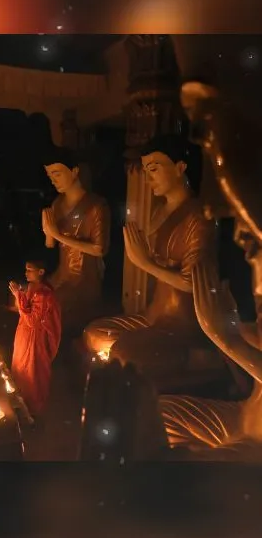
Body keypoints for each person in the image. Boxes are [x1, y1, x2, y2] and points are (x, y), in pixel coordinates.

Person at [84, 134, 216, 372]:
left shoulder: (198, 217)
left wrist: (145, 262)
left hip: (182, 324)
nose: (148, 177)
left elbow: (191, 283)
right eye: (145, 170)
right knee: (94, 334)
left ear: (180, 167)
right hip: (153, 316)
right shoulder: (159, 212)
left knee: (123, 352)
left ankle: (198, 357)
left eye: (154, 169)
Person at [42, 147, 110, 336]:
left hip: (83, 278)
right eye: (50, 176)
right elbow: (50, 244)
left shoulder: (96, 205)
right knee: (27, 296)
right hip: (61, 274)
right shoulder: (57, 204)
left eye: (57, 174)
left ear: (74, 171)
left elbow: (99, 249)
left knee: (50, 306)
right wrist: (48, 230)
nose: (53, 180)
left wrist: (57, 234)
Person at [9, 259, 61, 419]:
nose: (26, 273)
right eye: (26, 269)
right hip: (24, 334)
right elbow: (25, 311)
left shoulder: (44, 293)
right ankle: (20, 403)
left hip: (34, 338)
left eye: (30, 270)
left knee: (32, 371)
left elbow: (33, 320)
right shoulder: (32, 287)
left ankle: (34, 410)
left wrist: (18, 295)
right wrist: (20, 295)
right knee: (20, 368)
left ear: (41, 272)